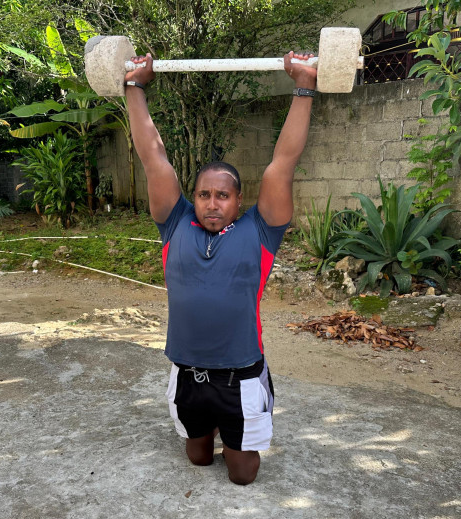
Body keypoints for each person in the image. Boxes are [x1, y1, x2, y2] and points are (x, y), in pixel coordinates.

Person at [125, 49, 317, 485]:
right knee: (197, 459)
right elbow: (154, 158)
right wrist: (135, 86)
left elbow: (282, 163)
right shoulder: (174, 224)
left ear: (238, 200)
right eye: (205, 194)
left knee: (243, 476)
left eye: (223, 195)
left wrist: (304, 85)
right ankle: (207, 428)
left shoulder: (261, 230)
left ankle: (232, 433)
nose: (213, 203)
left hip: (239, 376)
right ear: (194, 198)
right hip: (188, 371)